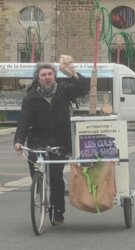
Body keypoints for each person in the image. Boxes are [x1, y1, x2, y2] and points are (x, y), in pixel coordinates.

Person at [14, 56, 90, 224]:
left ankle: (58, 210)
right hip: (37, 140)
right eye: (43, 75)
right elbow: (24, 121)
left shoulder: (64, 90)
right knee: (35, 166)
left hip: (59, 139)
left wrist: (74, 75)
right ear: (38, 78)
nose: (47, 77)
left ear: (54, 76)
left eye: (50, 74)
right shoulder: (30, 98)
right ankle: (39, 186)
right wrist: (18, 141)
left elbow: (84, 88)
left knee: (56, 177)